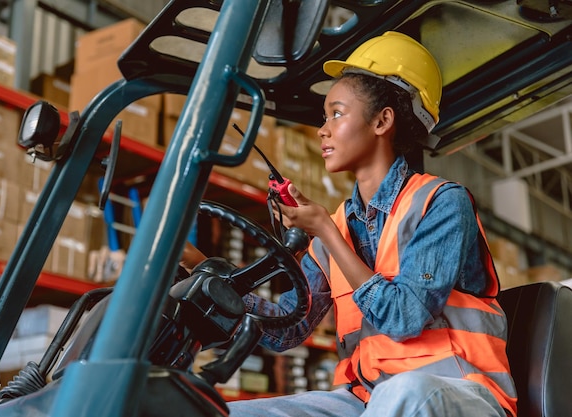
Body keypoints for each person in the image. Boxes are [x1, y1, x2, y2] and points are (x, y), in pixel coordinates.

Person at [183, 31, 517, 417]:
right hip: (368, 399)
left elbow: (403, 318)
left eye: (337, 114)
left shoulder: (441, 203)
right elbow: (287, 330)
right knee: (222, 413)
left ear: (382, 121)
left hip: (460, 391)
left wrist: (323, 230)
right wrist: (204, 270)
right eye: (324, 117)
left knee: (403, 393)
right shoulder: (339, 225)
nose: (322, 129)